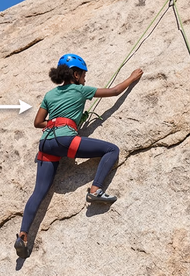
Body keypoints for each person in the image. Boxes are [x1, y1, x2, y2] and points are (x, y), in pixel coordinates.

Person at [15, 53, 143, 258]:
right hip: (66, 141)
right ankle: (95, 190)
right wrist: (132, 77)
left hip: (46, 144)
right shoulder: (80, 90)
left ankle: (23, 235)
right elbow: (115, 91)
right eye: (83, 74)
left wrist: (59, 121)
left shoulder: (50, 95)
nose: (84, 78)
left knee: (39, 192)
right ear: (75, 74)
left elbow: (38, 123)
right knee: (111, 150)